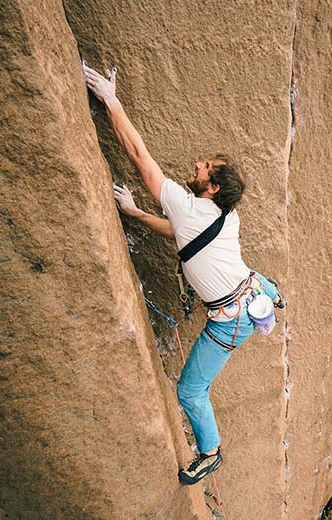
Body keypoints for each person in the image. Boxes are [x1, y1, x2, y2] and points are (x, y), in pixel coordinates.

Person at [83, 63, 283, 485]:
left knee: (190, 392)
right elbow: (182, 235)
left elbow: (140, 156)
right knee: (251, 278)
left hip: (231, 321)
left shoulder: (191, 207)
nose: (195, 165)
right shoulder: (225, 216)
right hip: (251, 289)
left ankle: (210, 453)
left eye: (204, 167)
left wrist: (110, 99)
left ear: (212, 188)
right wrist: (136, 213)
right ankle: (273, 293)